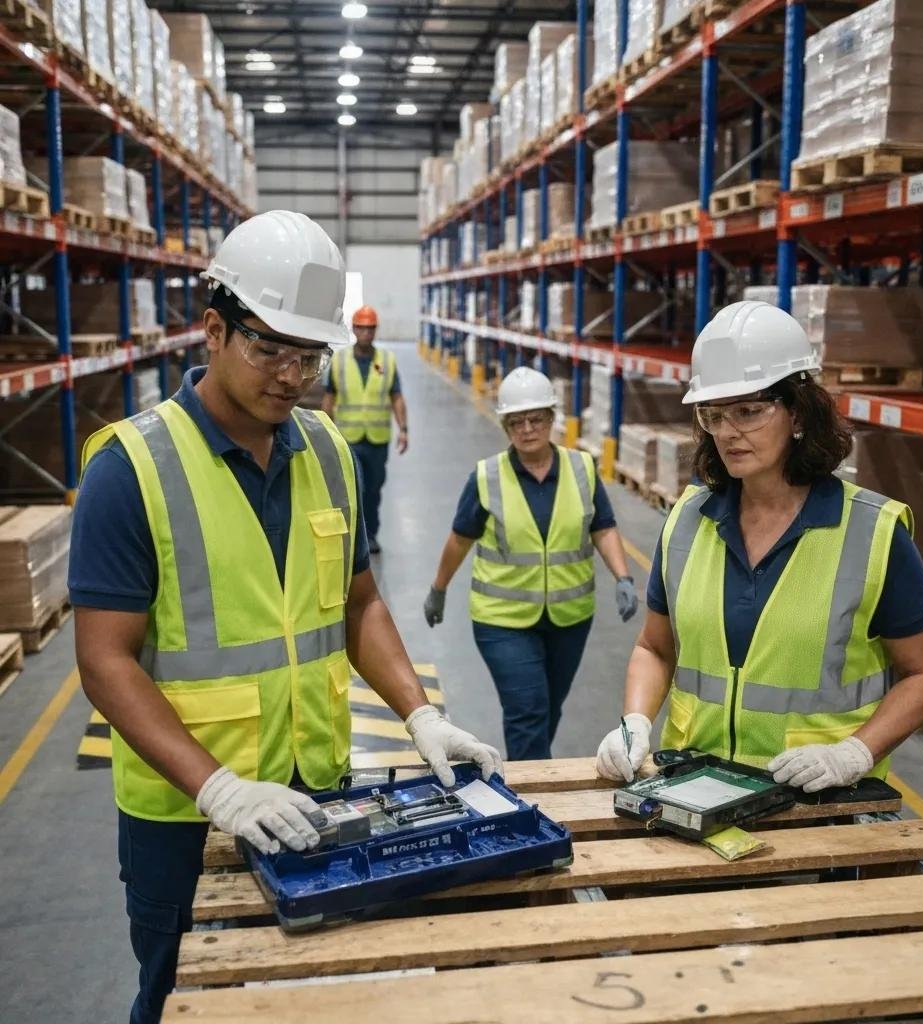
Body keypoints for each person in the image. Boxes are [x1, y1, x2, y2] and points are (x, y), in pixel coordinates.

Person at [69, 211, 501, 1024]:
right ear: (213, 329)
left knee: (306, 991)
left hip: (317, 790)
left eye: (310, 354)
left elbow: (358, 600)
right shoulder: (132, 469)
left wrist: (420, 714)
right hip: (184, 813)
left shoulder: (329, 451)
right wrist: (219, 789)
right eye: (268, 348)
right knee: (174, 995)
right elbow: (105, 661)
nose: (292, 374)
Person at [594, 300, 923, 790]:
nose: (728, 432)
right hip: (695, 790)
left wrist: (853, 754)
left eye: (749, 411)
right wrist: (634, 722)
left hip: (816, 807)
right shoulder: (687, 521)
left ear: (798, 413)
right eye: (713, 414)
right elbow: (655, 647)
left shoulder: (873, 533)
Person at [423, 366, 640, 760]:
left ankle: (532, 771)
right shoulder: (486, 477)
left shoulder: (582, 469)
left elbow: (603, 527)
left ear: (552, 419)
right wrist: (439, 589)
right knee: (528, 710)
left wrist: (623, 577)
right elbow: (460, 538)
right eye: (516, 422)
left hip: (569, 617)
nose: (527, 429)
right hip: (502, 619)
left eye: (536, 419)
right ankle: (532, 799)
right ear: (506, 426)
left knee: (548, 708)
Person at [321, 305, 407, 554]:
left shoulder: (386, 361)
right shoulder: (339, 361)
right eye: (361, 328)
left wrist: (404, 429)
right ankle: (354, 537)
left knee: (374, 489)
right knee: (353, 488)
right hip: (349, 439)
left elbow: (397, 396)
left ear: (375, 330)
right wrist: (325, 430)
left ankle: (371, 536)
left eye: (370, 328)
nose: (366, 333)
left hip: (378, 439)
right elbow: (329, 397)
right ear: (354, 329)